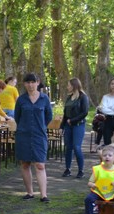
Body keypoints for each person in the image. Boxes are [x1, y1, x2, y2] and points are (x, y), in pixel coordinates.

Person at [14, 72, 53, 202]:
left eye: (33, 82)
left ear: (38, 83)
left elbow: (49, 116)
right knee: (25, 164)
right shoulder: (21, 100)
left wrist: (40, 126)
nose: (30, 85)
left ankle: (44, 195)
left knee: (40, 164)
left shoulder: (44, 98)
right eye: (28, 82)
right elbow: (17, 117)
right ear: (24, 84)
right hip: (23, 135)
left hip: (39, 135)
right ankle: (29, 192)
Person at [61, 77, 89, 179]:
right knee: (68, 147)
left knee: (76, 147)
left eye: (68, 85)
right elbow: (65, 113)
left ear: (74, 86)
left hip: (78, 125)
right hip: (68, 126)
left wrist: (72, 120)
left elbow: (84, 112)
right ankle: (67, 169)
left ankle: (81, 170)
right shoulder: (69, 97)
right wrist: (62, 126)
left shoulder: (83, 97)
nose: (67, 87)